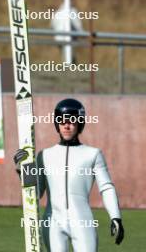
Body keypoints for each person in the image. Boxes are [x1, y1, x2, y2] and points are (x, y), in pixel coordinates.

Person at [14, 98, 124, 252]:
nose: (66, 125)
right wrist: (22, 169)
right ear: (57, 124)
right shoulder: (44, 155)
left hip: (82, 222)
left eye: (72, 121)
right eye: (62, 121)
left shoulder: (93, 154)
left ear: (80, 123)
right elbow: (36, 193)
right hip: (52, 223)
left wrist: (115, 216)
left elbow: (106, 188)